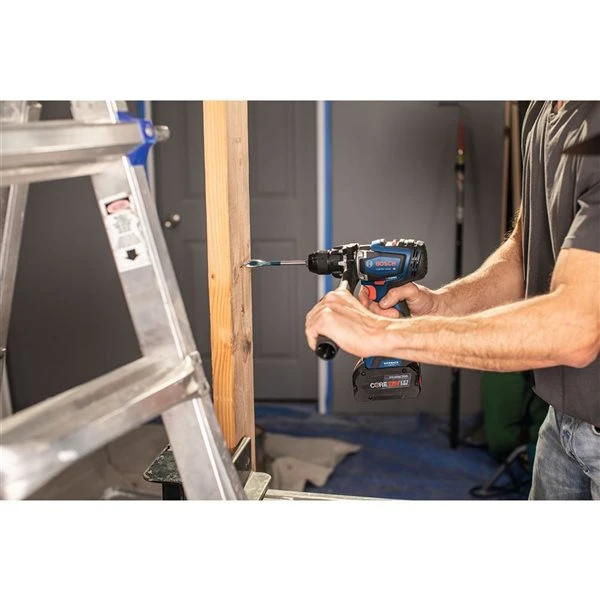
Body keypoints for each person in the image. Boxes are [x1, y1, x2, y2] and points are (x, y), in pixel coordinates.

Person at [305, 101, 600, 500]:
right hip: (562, 423)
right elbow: (523, 252)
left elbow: (575, 329)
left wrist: (382, 334)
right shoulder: (543, 110)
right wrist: (441, 305)